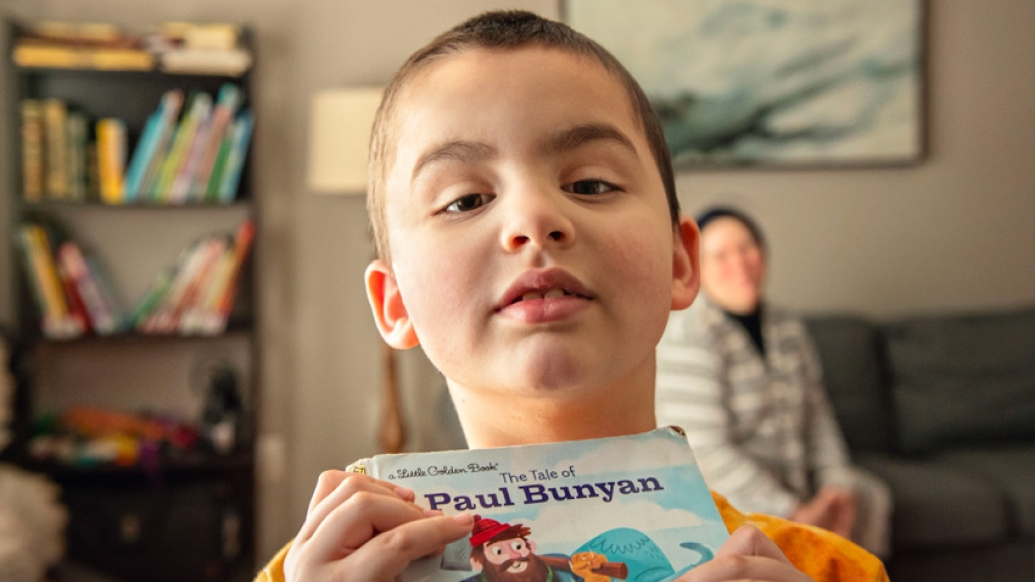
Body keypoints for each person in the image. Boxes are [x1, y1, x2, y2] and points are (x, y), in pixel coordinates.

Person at [257, 11, 888, 582]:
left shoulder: (830, 572)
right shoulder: (313, 574)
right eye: (466, 200)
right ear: (394, 301)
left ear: (679, 261)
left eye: (590, 183)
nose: (533, 218)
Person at [655, 206, 892, 558]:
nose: (740, 263)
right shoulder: (686, 331)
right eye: (720, 255)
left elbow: (817, 418)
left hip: (797, 485)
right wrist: (792, 511)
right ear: (695, 266)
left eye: (747, 247)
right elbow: (702, 449)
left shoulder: (787, 327)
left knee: (866, 496)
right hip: (727, 495)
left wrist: (835, 484)